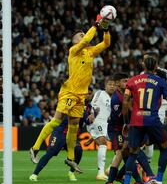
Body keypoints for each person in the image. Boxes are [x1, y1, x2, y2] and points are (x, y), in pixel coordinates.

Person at [29, 14, 111, 173]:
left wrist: (105, 27)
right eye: (80, 35)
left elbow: (106, 43)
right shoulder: (73, 50)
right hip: (69, 92)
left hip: (81, 96)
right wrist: (96, 25)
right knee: (57, 120)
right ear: (74, 40)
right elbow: (87, 40)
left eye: (83, 34)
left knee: (74, 127)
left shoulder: (90, 52)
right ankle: (35, 147)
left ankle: (70, 158)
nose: (83, 36)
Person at [121, 56, 167, 184]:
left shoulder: (132, 81)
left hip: (136, 121)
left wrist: (126, 122)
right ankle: (159, 182)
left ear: (143, 66)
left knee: (133, 152)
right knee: (164, 147)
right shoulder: (160, 81)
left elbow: (125, 101)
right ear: (156, 66)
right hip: (153, 120)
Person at [29, 89, 94, 182]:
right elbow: (69, 115)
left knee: (79, 151)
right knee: (50, 153)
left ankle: (71, 173)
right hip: (60, 133)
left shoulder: (89, 107)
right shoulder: (74, 101)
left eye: (90, 94)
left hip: (72, 136)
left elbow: (87, 121)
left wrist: (91, 118)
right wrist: (86, 115)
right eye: (86, 93)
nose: (88, 95)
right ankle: (34, 174)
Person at [104, 73, 154, 184]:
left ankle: (125, 178)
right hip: (117, 129)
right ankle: (110, 182)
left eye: (127, 80)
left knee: (130, 152)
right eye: (124, 81)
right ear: (117, 83)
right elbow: (117, 118)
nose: (127, 82)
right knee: (121, 153)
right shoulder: (116, 98)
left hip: (128, 128)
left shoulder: (128, 93)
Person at [141, 52, 167, 166]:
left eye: (146, 60)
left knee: (151, 138)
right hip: (146, 107)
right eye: (143, 60)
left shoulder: (163, 73)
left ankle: (146, 166)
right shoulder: (141, 74)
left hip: (160, 107)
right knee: (145, 137)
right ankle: (143, 167)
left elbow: (165, 91)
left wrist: (166, 111)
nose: (143, 62)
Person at [87, 78, 115, 180]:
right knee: (103, 143)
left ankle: (110, 168)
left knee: (120, 145)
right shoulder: (100, 93)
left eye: (114, 85)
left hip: (107, 125)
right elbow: (93, 104)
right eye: (110, 84)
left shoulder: (115, 98)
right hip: (97, 120)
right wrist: (91, 114)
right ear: (105, 85)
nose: (112, 86)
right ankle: (100, 173)